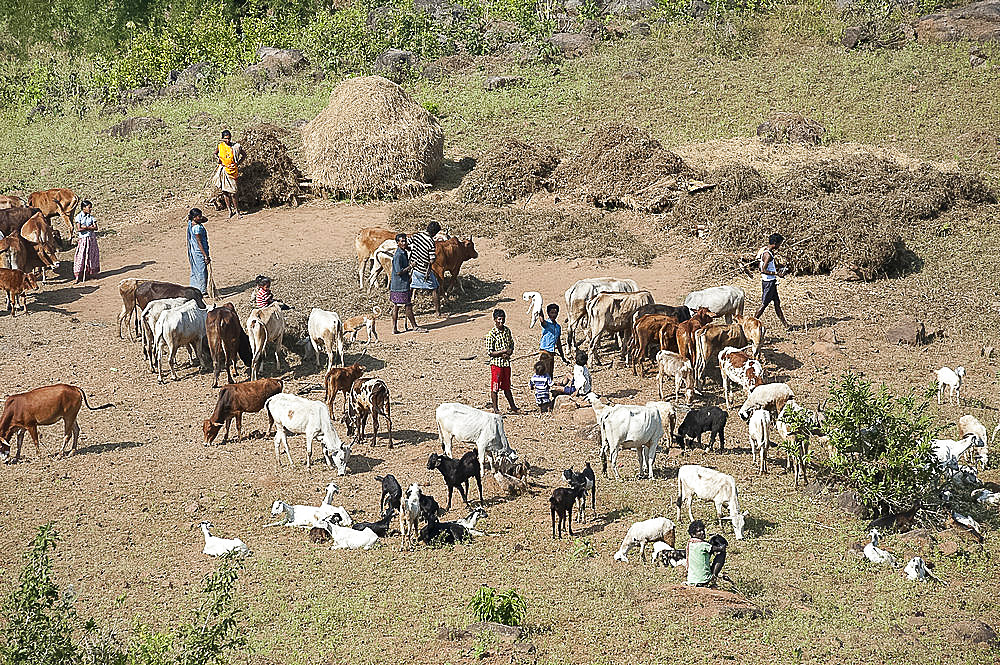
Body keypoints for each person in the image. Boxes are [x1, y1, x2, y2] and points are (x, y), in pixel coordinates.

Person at [754, 233, 790, 329]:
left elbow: (760, 266)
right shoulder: (767, 255)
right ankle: (752, 322)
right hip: (768, 283)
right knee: (764, 304)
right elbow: (763, 270)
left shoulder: (766, 252)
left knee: (777, 303)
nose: (779, 246)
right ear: (774, 243)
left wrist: (777, 270)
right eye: (779, 244)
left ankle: (786, 325)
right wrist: (776, 273)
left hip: (771, 282)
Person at [486, 309, 519, 414]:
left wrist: (509, 352)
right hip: (496, 364)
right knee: (495, 386)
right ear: (494, 320)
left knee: (507, 386)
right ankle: (496, 409)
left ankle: (513, 407)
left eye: (503, 319)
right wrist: (502, 352)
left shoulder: (507, 331)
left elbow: (511, 345)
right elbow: (490, 352)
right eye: (499, 319)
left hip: (506, 363)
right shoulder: (491, 334)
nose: (501, 321)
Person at [390, 233, 423, 334]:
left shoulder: (402, 252)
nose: (404, 243)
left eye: (405, 241)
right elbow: (399, 271)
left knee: (396, 306)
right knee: (408, 305)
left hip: (396, 284)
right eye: (402, 241)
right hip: (401, 284)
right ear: (397, 243)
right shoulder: (398, 255)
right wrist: (411, 266)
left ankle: (395, 329)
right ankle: (414, 326)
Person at [408, 221, 442, 318]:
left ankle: (408, 308)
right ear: (434, 233)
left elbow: (408, 243)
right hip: (423, 269)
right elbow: (431, 259)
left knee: (411, 287)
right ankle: (437, 312)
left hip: (414, 267)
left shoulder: (417, 235)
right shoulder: (430, 242)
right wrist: (434, 258)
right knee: (435, 288)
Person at [685, 520, 728, 587]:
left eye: (703, 530)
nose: (702, 532)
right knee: (722, 553)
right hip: (703, 579)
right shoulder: (703, 545)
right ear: (693, 534)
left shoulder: (690, 544)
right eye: (699, 531)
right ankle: (713, 577)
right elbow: (720, 549)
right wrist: (721, 544)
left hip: (692, 580)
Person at [213, 130, 245, 218]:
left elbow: (244, 155)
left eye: (229, 138)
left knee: (234, 193)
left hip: (233, 171)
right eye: (225, 139)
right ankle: (230, 211)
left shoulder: (236, 147)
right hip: (224, 170)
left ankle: (237, 211)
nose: (227, 140)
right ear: (222, 139)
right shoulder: (220, 146)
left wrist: (238, 163)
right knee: (225, 192)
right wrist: (218, 160)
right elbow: (215, 154)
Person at [538, 303, 569, 378]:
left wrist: (563, 356)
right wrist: (539, 307)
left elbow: (558, 343)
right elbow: (541, 320)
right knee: (544, 374)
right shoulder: (547, 324)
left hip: (552, 353)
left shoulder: (558, 327)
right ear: (548, 313)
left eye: (555, 313)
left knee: (550, 374)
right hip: (545, 352)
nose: (554, 315)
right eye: (552, 313)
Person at [72, 199, 100, 283]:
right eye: (89, 208)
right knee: (81, 256)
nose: (90, 209)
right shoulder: (79, 217)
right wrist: (90, 228)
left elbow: (96, 228)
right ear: (83, 208)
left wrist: (86, 227)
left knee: (91, 256)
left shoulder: (91, 217)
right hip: (83, 239)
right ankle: (78, 276)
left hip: (91, 239)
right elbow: (79, 229)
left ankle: (89, 274)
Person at [186, 208, 210, 295]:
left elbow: (205, 219)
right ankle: (202, 291)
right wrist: (205, 256)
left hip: (194, 251)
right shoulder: (197, 228)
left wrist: (200, 218)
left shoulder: (190, 223)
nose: (201, 218)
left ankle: (194, 287)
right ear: (194, 217)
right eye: (199, 216)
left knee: (195, 270)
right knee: (202, 271)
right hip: (199, 252)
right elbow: (199, 243)